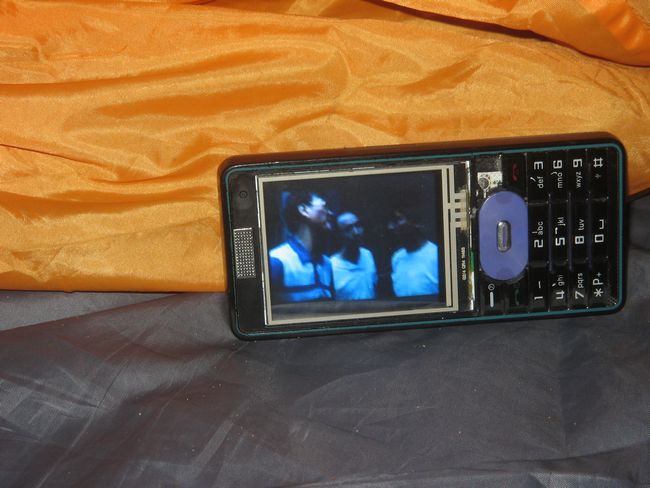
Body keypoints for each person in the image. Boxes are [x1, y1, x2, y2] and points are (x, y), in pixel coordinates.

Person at [269, 190, 335, 303]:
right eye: (325, 207)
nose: (331, 213)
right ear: (304, 210)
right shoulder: (277, 261)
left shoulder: (327, 263)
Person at [388, 209, 439, 297]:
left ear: (416, 223)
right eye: (391, 222)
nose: (391, 227)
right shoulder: (397, 258)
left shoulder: (436, 255)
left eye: (398, 220)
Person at [330, 212, 377, 300]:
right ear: (339, 235)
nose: (356, 232)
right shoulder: (332, 266)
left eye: (358, 226)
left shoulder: (368, 255)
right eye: (348, 229)